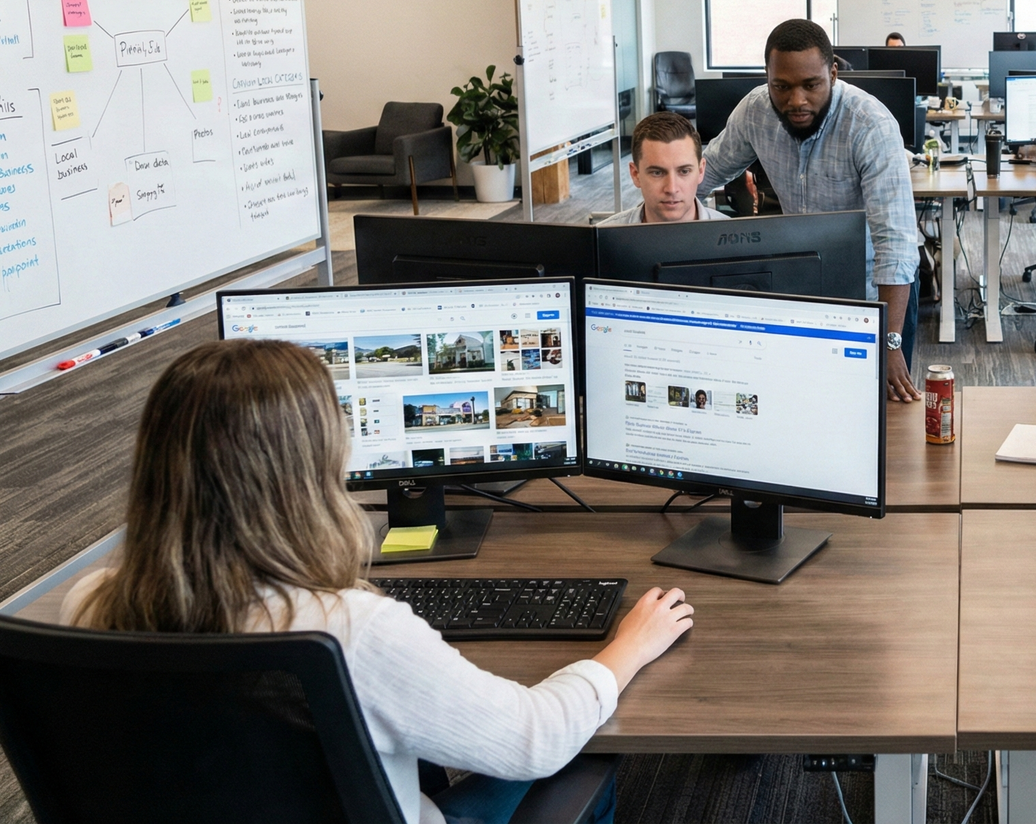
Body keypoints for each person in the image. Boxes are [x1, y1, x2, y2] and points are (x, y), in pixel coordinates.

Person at [62, 339, 695, 824]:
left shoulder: (89, 604)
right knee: (585, 752)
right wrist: (627, 647)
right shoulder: (351, 633)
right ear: (305, 471)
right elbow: (535, 739)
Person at [698, 19, 922, 403]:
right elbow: (705, 172)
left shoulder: (870, 125)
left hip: (874, 292)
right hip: (802, 284)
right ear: (767, 77)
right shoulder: (755, 111)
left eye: (811, 85)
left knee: (880, 418)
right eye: (781, 87)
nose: (796, 100)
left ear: (832, 74)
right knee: (802, 404)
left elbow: (896, 243)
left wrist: (889, 342)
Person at [603, 111, 729, 225]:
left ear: (701, 171)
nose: (672, 189)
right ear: (635, 174)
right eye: (657, 173)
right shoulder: (601, 241)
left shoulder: (732, 235)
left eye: (684, 171)